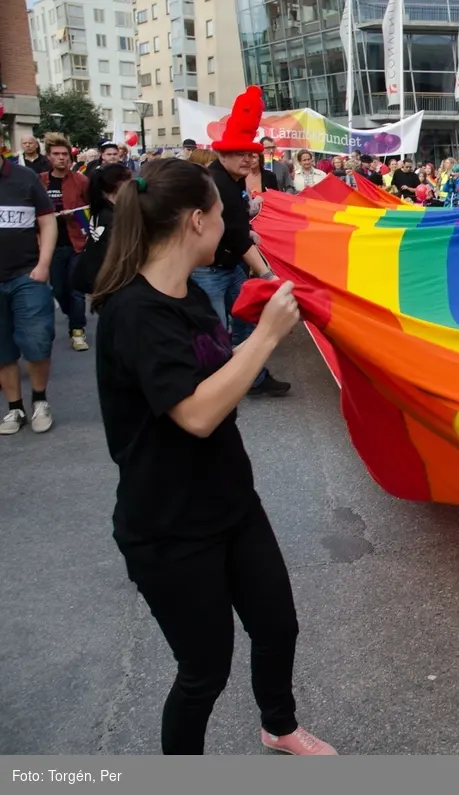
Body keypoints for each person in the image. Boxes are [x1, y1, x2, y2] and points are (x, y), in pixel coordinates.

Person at [90, 158, 336, 755]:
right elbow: (196, 413)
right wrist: (266, 337)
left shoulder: (192, 298)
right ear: (196, 220)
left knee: (277, 624)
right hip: (169, 528)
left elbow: (218, 376)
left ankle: (279, 726)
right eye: (224, 214)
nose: (231, 224)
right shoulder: (134, 312)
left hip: (230, 502)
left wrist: (257, 317)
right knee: (204, 673)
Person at [192, 86, 290, 398]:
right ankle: (212, 389)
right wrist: (267, 275)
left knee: (247, 317)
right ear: (222, 154)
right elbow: (233, 233)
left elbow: (233, 228)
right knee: (214, 329)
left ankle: (254, 377)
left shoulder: (233, 180)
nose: (249, 160)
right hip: (209, 270)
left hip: (230, 264)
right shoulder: (216, 183)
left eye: (251, 154)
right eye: (241, 154)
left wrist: (247, 227)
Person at [0, 151, 57, 435]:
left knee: (37, 339)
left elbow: (47, 221)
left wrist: (43, 264)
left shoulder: (25, 178)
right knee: (2, 350)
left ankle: (39, 400)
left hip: (27, 274)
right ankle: (15, 407)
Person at [39, 133, 91, 352]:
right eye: (56, 154)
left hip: (76, 241)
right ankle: (73, 315)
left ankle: (77, 331)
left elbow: (91, 209)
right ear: (48, 157)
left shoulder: (81, 180)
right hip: (51, 244)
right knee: (59, 290)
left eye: (64, 154)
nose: (61, 158)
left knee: (76, 289)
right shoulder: (40, 180)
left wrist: (78, 215)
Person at [73, 162, 133, 295]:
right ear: (120, 184)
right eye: (130, 181)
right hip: (107, 279)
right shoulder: (113, 217)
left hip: (97, 276)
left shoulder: (101, 208)